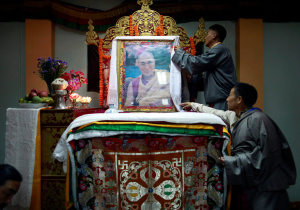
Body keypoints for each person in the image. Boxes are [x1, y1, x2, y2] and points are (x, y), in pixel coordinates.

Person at [181, 83, 296, 210]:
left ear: (239, 99)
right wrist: (194, 105)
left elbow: (269, 153)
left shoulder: (259, 119)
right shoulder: (234, 117)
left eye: (229, 95)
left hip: (267, 186)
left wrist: (234, 161)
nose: (226, 99)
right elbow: (215, 113)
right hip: (251, 182)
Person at [172, 24, 237, 111]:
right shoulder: (216, 51)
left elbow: (196, 63)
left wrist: (180, 52)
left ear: (214, 35)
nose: (205, 38)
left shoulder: (220, 49)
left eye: (207, 34)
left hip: (222, 101)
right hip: (217, 100)